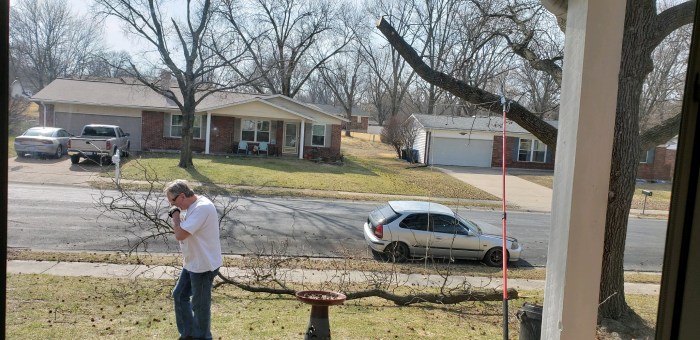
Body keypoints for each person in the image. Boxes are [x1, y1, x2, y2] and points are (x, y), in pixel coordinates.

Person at [164, 179, 223, 340]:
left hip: (204, 265)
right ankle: (188, 333)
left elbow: (180, 234)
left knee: (200, 306)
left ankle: (203, 337)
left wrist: (175, 216)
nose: (173, 206)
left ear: (182, 196)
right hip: (192, 263)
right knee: (179, 295)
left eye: (173, 201)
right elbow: (183, 233)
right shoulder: (193, 206)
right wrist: (177, 215)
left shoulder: (202, 208)